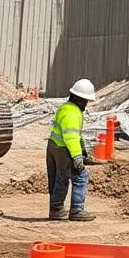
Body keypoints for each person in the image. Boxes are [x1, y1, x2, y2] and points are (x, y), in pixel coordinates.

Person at [47, 77, 97, 222]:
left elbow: (76, 135)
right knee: (80, 177)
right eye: (85, 101)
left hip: (54, 146)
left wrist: (83, 151)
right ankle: (76, 210)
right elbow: (71, 137)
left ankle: (56, 209)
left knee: (60, 178)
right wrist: (77, 156)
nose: (86, 104)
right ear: (79, 99)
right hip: (64, 149)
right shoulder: (73, 113)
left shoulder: (65, 108)